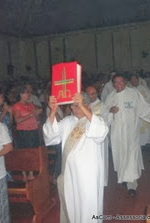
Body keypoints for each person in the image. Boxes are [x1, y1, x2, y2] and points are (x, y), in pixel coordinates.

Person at [43, 93, 109, 223]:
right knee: (70, 206)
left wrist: (83, 109)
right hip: (68, 174)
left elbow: (100, 132)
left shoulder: (96, 120)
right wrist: (52, 111)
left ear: (87, 105)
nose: (75, 108)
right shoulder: (68, 122)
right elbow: (51, 136)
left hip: (87, 178)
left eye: (79, 104)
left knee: (87, 209)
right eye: (73, 105)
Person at [101, 73, 150, 196]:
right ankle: (124, 178)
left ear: (125, 82)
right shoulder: (110, 97)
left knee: (131, 157)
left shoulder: (133, 94)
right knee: (121, 156)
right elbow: (104, 115)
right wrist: (110, 111)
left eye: (121, 82)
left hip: (131, 132)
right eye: (116, 82)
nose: (118, 84)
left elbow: (144, 108)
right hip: (117, 134)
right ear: (113, 84)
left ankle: (132, 184)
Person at [12, 85, 42, 182]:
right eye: (26, 93)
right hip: (23, 132)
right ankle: (24, 174)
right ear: (21, 94)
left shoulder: (30, 104)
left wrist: (37, 114)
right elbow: (17, 120)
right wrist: (31, 115)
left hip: (33, 130)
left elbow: (35, 117)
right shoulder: (17, 105)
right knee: (24, 153)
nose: (28, 94)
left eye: (28, 93)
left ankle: (31, 173)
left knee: (33, 152)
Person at [86, 85, 109, 187]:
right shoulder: (84, 105)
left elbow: (106, 121)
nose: (94, 95)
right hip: (87, 139)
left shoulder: (102, 105)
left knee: (100, 159)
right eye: (91, 93)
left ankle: (101, 182)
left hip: (100, 138)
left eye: (95, 93)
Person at [129, 74, 150, 146]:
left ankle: (146, 142)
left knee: (145, 130)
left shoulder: (144, 89)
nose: (133, 81)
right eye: (132, 80)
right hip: (133, 113)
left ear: (138, 80)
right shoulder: (129, 90)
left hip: (143, 112)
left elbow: (148, 100)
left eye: (135, 79)